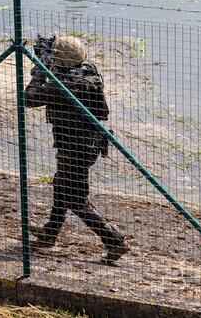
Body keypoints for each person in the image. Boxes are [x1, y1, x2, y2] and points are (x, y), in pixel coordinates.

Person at [25, 36, 129, 264]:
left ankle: (113, 240)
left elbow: (30, 98)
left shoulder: (66, 86)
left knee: (76, 198)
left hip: (75, 146)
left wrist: (39, 70)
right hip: (85, 143)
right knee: (62, 184)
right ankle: (50, 233)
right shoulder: (87, 73)